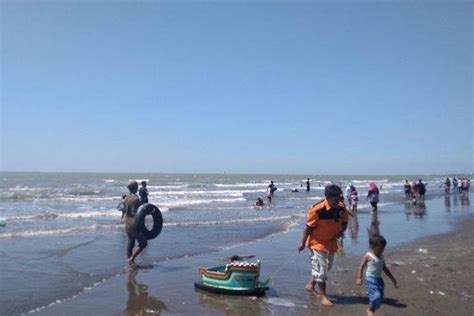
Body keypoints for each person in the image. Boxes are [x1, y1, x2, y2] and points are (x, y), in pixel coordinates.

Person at [297, 184, 349, 306]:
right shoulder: (317, 210)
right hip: (317, 242)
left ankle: (310, 285)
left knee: (327, 267)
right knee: (322, 269)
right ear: (327, 197)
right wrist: (302, 243)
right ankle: (324, 297)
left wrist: (341, 232)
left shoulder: (341, 208)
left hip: (331, 241)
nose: (338, 199)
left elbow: (345, 222)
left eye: (339, 196)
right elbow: (308, 228)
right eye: (335, 197)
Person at [356, 234, 398, 316]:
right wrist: (359, 278)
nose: (381, 251)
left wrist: (393, 279)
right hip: (370, 279)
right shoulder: (368, 256)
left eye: (383, 249)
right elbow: (361, 266)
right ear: (372, 246)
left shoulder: (381, 256)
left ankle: (372, 310)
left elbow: (385, 268)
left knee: (380, 296)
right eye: (380, 249)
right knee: (376, 296)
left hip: (379, 279)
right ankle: (369, 310)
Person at [123, 180, 148, 265]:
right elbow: (135, 213)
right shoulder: (136, 198)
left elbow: (124, 211)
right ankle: (132, 259)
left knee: (131, 242)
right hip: (133, 224)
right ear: (135, 188)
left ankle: (129, 260)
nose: (138, 188)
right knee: (143, 243)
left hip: (126, 223)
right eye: (137, 187)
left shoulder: (126, 197)